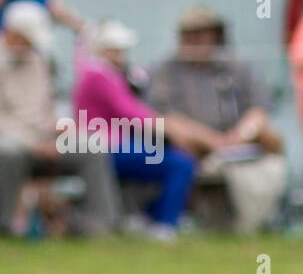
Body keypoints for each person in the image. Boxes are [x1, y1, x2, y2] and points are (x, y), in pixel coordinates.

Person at [0, 1, 120, 236]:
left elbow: (44, 111)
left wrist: (57, 130)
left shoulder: (38, 61)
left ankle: (99, 226)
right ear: (12, 33)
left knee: (92, 145)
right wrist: (33, 141)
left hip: (41, 141)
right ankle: (5, 227)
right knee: (8, 150)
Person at [147, 6, 285, 232]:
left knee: (273, 140)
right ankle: (191, 216)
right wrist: (212, 141)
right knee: (181, 142)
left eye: (199, 34)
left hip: (237, 140)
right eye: (187, 34)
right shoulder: (167, 70)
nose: (192, 40)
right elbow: (165, 118)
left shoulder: (236, 67)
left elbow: (259, 109)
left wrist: (241, 135)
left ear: (215, 36)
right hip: (194, 143)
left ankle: (263, 216)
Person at [72, 20, 207, 241]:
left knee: (176, 161)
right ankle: (163, 222)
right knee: (181, 164)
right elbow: (131, 114)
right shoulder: (100, 75)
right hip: (108, 148)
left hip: (109, 145)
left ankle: (151, 218)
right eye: (118, 50)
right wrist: (170, 127)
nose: (123, 55)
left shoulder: (99, 74)